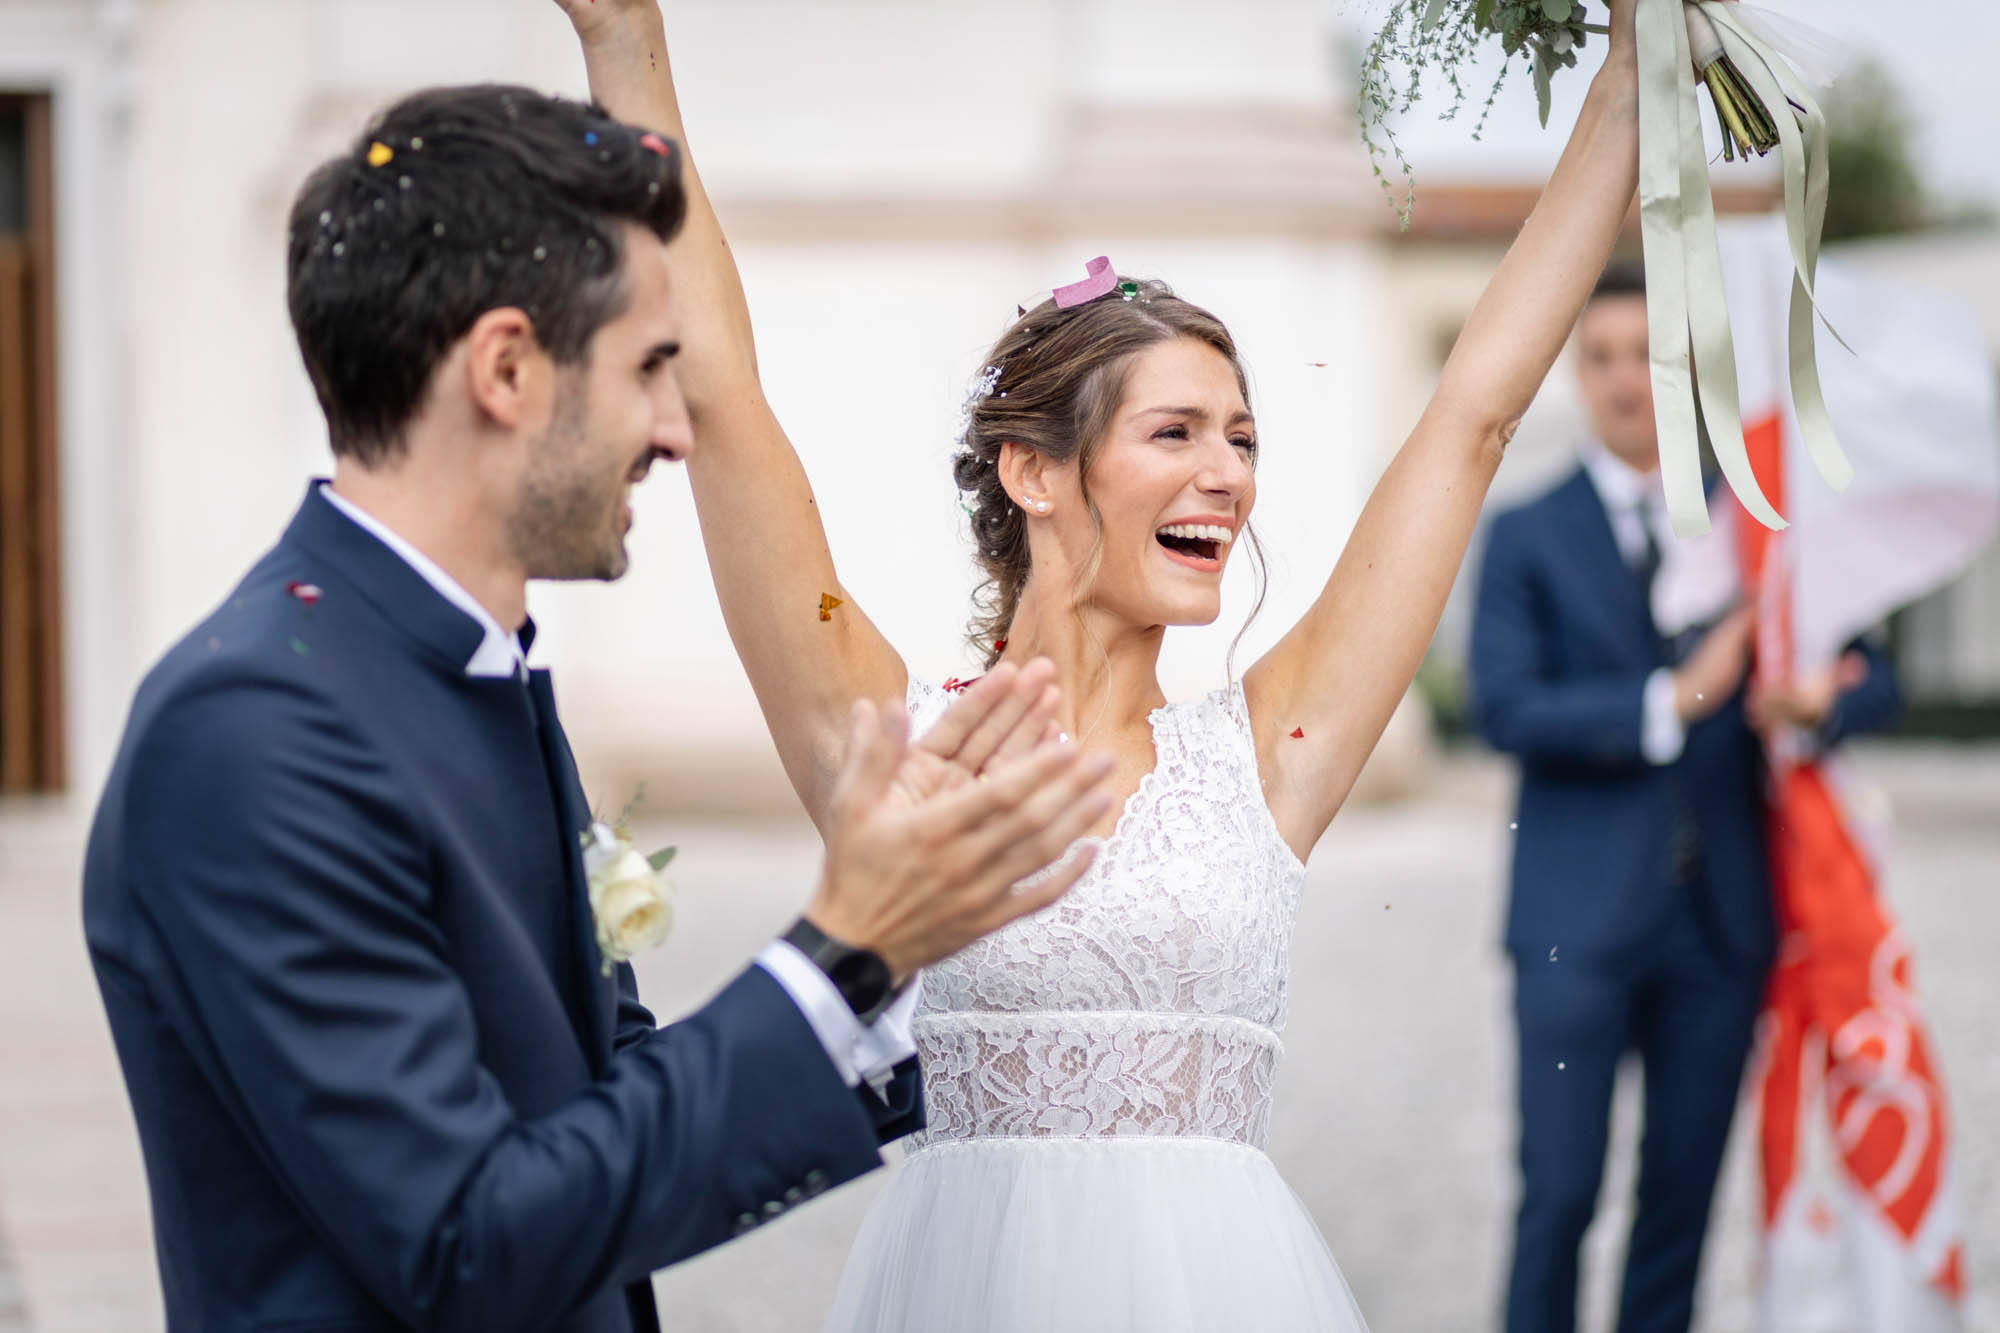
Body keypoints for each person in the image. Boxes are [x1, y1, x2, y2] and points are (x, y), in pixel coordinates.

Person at [560, 0, 1643, 1326]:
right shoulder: (896, 740)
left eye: (1242, 439)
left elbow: (1476, 411)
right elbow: (723, 402)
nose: (1226, 477)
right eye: (1177, 432)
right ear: (1036, 471)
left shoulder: (1274, 749)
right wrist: (629, 44)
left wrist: (1629, 81)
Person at [80, 84, 1118, 1333]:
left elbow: (593, 1104)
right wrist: (841, 937)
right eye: (649, 369)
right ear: (506, 368)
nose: (676, 433)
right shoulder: (251, 730)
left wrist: (890, 971)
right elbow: (470, 1241)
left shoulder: (470, 674)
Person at [1469, 264, 1903, 1333]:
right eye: (1603, 358)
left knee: (1680, 1206)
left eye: (1649, 357)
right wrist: (1673, 697)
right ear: (1576, 372)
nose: (1626, 382)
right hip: (1571, 929)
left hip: (1721, 929)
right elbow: (1504, 706)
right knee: (1557, 1196)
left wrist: (1813, 702)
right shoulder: (1524, 531)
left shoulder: (1759, 516)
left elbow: (1874, 673)